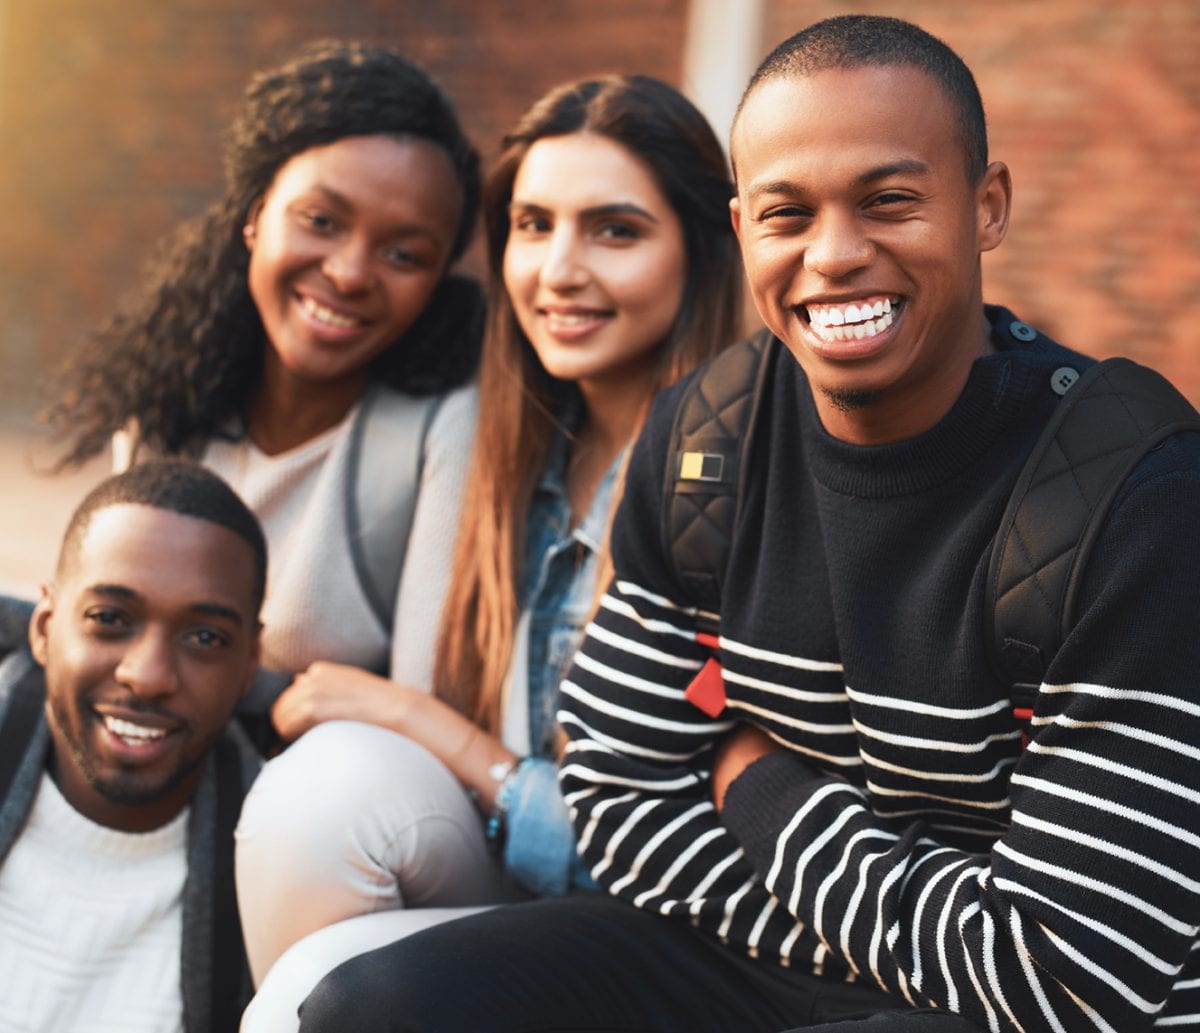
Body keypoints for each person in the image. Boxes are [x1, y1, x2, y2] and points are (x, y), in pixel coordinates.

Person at [293, 14, 1200, 1033]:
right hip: (773, 962)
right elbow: (619, 799)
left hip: (1021, 1016)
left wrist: (755, 784)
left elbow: (1067, 972)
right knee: (372, 1005)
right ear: (742, 229)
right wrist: (892, 918)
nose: (836, 253)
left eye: (889, 201)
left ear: (986, 207)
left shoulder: (1131, 488)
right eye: (787, 213)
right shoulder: (705, 440)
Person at [233, 72, 743, 1028]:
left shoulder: (746, 477)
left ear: (701, 255)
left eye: (616, 230)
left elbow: (691, 854)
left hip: (672, 941)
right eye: (533, 224)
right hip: (506, 886)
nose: (558, 270)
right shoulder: (506, 455)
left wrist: (426, 723)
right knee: (326, 795)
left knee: (294, 1006)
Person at [43, 40, 484, 699]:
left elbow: (422, 711)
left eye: (403, 254)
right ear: (256, 216)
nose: (350, 272)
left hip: (333, 783)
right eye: (321, 221)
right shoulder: (174, 397)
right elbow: (115, 643)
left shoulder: (443, 427)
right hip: (162, 754)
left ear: (436, 280)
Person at [0, 460, 265, 1033]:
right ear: (44, 628)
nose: (147, 676)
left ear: (250, 664)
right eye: (110, 618)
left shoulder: (282, 874)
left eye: (204, 637)